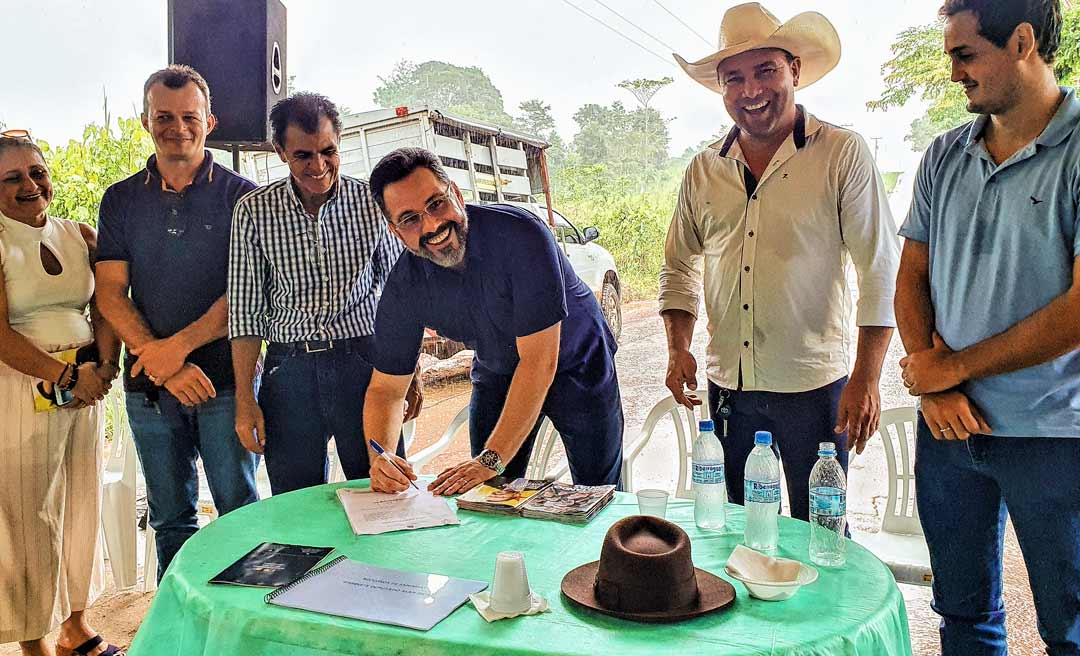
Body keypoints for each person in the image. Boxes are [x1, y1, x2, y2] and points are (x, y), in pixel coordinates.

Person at [661, 2, 900, 521]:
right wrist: (678, 348)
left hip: (816, 391)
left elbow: (879, 267)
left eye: (765, 70)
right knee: (741, 533)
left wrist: (867, 377)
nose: (750, 91)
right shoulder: (703, 170)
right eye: (733, 79)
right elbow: (679, 266)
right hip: (731, 392)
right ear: (720, 89)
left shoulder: (842, 153)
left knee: (823, 530)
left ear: (794, 69)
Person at [895, 1, 1080, 652]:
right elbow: (911, 277)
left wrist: (956, 366)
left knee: (1070, 631)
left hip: (1054, 435)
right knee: (964, 617)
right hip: (948, 430)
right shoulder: (944, 156)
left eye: (965, 55)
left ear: (1023, 41)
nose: (952, 74)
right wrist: (935, 383)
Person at [362, 147, 624, 496]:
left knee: (597, 490)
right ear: (396, 232)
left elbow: (539, 361)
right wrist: (381, 458)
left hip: (574, 358)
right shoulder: (405, 286)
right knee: (490, 493)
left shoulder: (520, 234)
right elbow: (386, 391)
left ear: (456, 194)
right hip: (499, 365)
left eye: (436, 204)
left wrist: (491, 458)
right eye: (410, 219)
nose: (433, 225)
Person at [95, 65, 260, 581]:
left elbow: (246, 294)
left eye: (189, 116)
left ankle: (243, 622)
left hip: (226, 383)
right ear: (145, 120)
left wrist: (175, 351)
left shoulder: (243, 196)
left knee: (240, 513)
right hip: (150, 391)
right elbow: (110, 294)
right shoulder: (120, 199)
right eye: (163, 116)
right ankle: (178, 626)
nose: (177, 127)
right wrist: (163, 364)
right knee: (171, 522)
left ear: (210, 120)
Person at [228, 92, 417, 495]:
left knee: (383, 490)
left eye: (328, 151)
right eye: (302, 156)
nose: (318, 166)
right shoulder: (252, 211)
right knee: (296, 505)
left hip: (366, 365)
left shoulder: (371, 200)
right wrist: (247, 398)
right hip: (290, 373)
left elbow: (401, 296)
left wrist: (409, 372)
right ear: (280, 151)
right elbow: (245, 314)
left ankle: (383, 562)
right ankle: (314, 564)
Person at [0, 133, 123, 655]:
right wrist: (67, 377)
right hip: (23, 387)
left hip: (86, 385)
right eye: (12, 178)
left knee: (82, 500)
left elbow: (107, 307)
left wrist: (105, 365)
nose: (31, 185)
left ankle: (76, 623)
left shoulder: (80, 235)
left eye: (37, 171)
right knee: (28, 517)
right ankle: (35, 642)